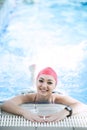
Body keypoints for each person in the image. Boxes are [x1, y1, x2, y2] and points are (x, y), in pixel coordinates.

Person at [1, 67, 87, 122]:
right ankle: (33, 73)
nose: (44, 86)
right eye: (41, 81)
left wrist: (64, 112)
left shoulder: (57, 98)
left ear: (55, 86)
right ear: (37, 82)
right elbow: (6, 104)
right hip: (31, 91)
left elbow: (82, 105)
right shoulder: (28, 97)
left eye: (49, 83)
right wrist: (25, 113)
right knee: (31, 87)